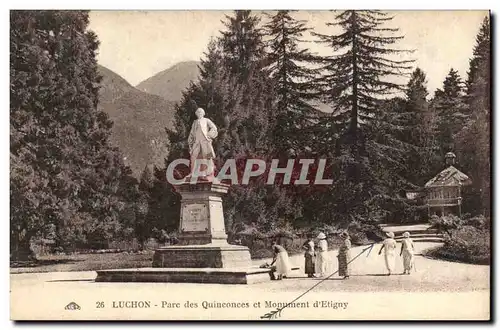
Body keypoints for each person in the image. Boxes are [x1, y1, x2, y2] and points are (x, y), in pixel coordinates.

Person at [187, 108, 218, 179]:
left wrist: (209, 135)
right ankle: (193, 173)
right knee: (193, 157)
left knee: (205, 157)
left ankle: (204, 173)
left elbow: (214, 128)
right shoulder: (195, 122)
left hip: (204, 141)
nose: (199, 113)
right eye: (197, 112)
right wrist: (190, 142)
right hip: (197, 142)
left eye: (200, 112)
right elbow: (192, 133)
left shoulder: (206, 120)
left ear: (203, 113)